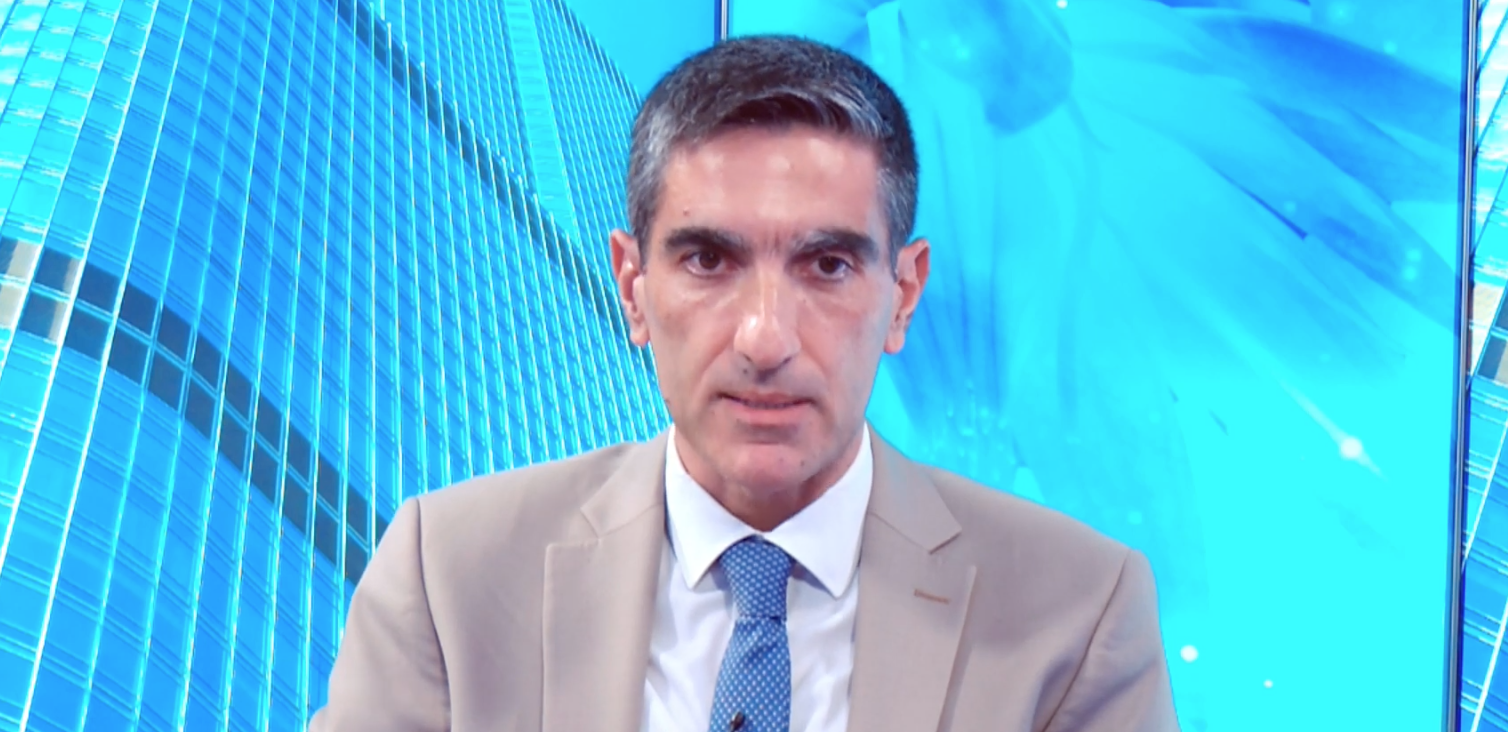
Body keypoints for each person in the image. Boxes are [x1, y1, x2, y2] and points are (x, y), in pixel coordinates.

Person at [309, 35, 1178, 732]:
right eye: (708, 260)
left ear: (904, 294)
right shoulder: (447, 573)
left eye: (828, 265)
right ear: (632, 286)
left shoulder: (1079, 613)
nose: (766, 339)